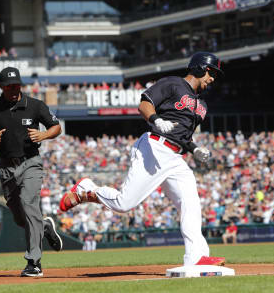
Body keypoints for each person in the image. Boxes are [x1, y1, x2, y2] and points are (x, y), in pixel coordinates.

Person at [59, 52, 226, 266]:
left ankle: (197, 257)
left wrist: (194, 149)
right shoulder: (173, 83)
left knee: (191, 203)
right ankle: (86, 189)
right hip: (154, 146)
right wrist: (156, 119)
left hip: (175, 157)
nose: (212, 78)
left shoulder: (201, 105)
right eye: (211, 72)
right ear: (200, 68)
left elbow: (183, 135)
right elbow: (145, 104)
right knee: (124, 203)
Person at [0, 67, 63, 277]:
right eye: (9, 86)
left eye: (17, 85)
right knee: (19, 217)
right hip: (6, 167)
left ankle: (34, 262)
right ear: (1, 87)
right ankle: (43, 227)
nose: (14, 89)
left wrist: (43, 136)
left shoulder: (34, 105)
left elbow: (56, 127)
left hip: (30, 162)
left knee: (29, 203)